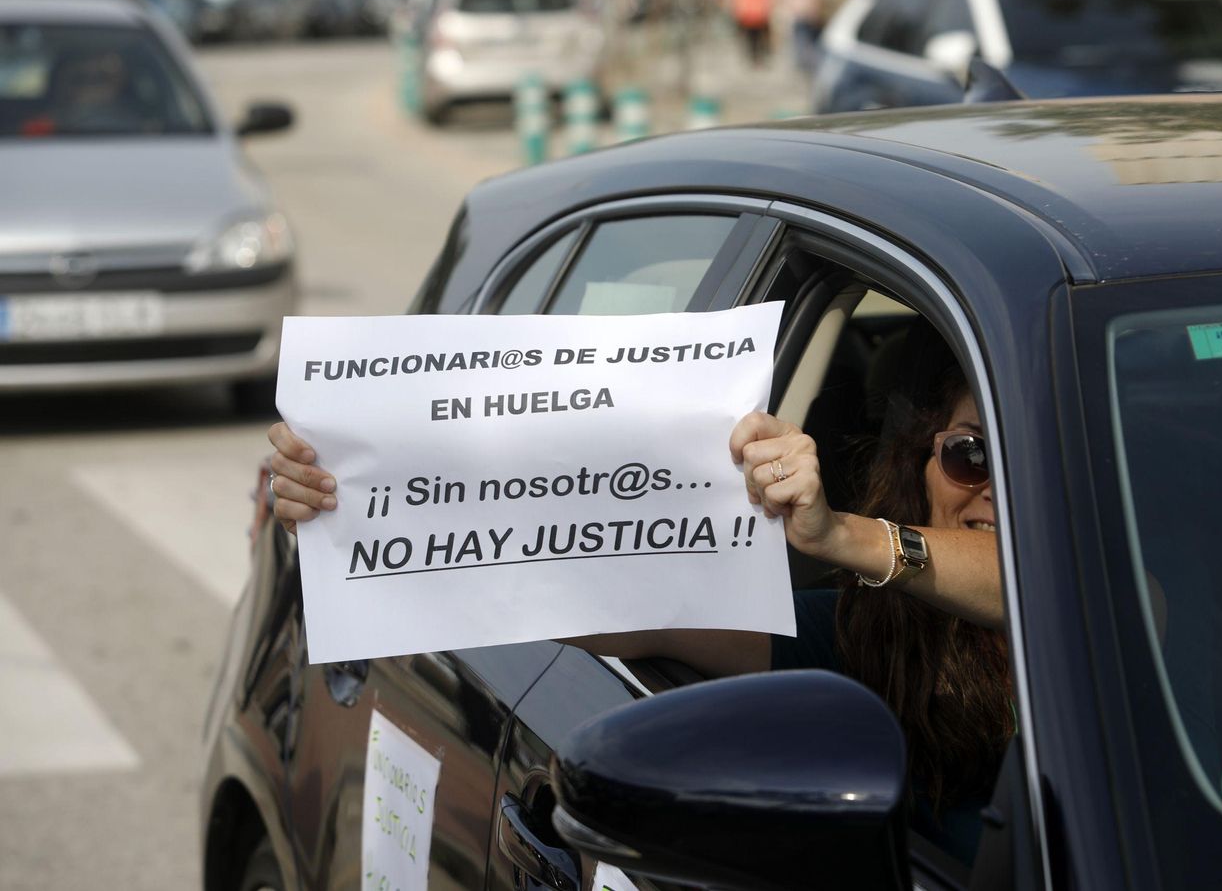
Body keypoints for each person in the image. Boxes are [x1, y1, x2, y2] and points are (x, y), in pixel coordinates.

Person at [268, 325, 1012, 861]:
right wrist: (361, 521)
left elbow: (1030, 580)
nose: (1000, 495)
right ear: (922, 460)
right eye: (972, 454)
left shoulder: (1125, 622)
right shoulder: (868, 636)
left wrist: (844, 536)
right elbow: (635, 615)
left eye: (1035, 467)